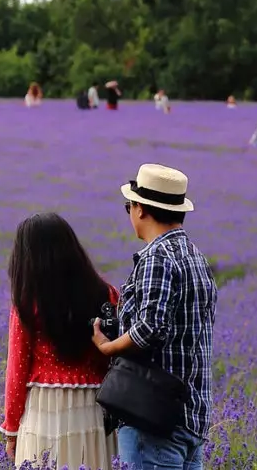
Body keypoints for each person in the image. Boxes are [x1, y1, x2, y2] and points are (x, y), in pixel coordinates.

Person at [92, 164, 216, 470]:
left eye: (129, 206)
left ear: (141, 209)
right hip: (190, 417)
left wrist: (107, 346)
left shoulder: (156, 258)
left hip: (152, 417)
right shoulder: (196, 258)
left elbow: (150, 329)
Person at [1, 212, 119, 469]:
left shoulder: (27, 302)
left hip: (44, 410)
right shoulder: (106, 293)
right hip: (95, 408)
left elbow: (17, 370)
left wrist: (11, 429)